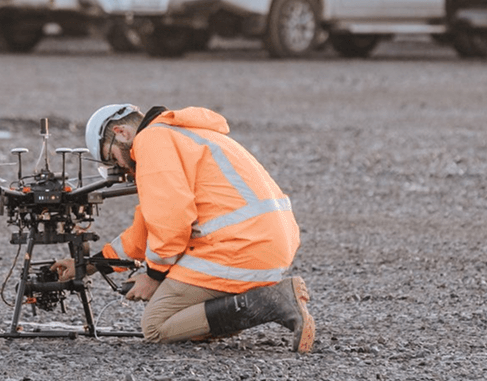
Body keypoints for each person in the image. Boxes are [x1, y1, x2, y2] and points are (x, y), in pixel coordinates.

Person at [52, 104, 315, 352]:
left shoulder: (151, 142)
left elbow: (172, 219)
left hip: (239, 249)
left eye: (112, 158)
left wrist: (154, 276)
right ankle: (242, 308)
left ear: (122, 133)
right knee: (181, 314)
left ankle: (273, 302)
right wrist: (89, 265)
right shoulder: (181, 134)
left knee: (155, 326)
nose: (119, 167)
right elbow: (146, 228)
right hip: (262, 244)